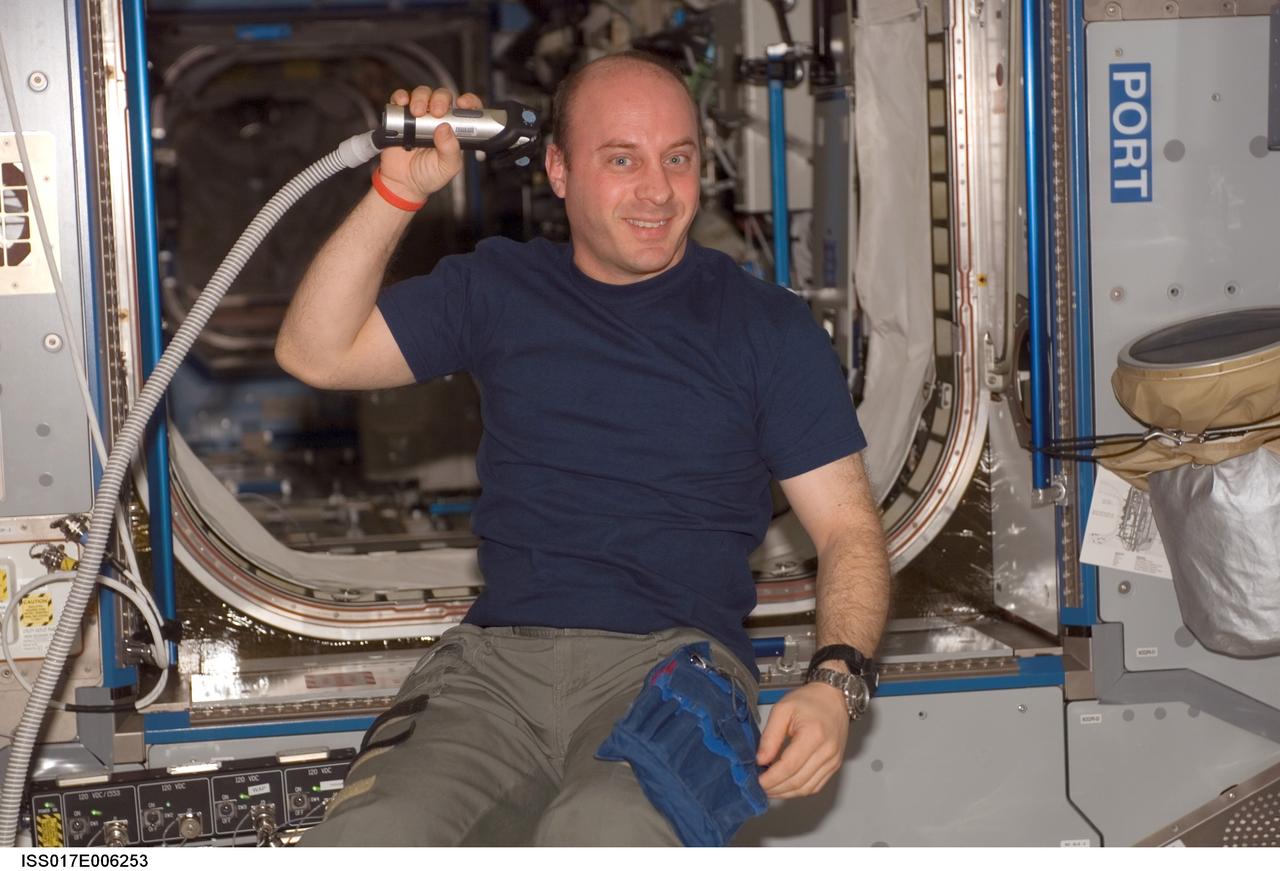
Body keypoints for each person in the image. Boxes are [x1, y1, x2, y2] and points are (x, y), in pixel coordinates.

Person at [278, 50, 891, 846]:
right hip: (494, 670)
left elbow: (848, 528)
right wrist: (398, 192)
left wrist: (836, 683)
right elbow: (316, 352)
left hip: (674, 665)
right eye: (622, 160)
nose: (658, 192)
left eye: (678, 158)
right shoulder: (499, 288)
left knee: (602, 837)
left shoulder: (766, 329)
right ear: (559, 171)